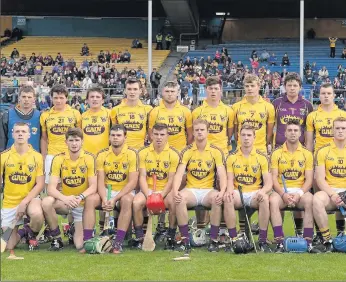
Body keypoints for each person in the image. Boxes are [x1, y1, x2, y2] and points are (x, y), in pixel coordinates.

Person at [172, 119, 226, 254]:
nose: (199, 132)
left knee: (217, 200)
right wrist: (174, 191)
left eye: (202, 129)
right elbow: (179, 174)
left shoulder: (216, 151)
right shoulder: (187, 151)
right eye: (197, 130)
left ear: (207, 132)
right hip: (191, 190)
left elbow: (222, 174)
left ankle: (213, 240)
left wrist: (222, 191)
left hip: (208, 190)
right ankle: (185, 241)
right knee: (179, 199)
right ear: (193, 133)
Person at [82, 125, 138, 254]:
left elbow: (132, 182)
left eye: (118, 135)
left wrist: (114, 199)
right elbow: (100, 181)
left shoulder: (132, 154)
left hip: (124, 191)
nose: (115, 138)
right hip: (106, 191)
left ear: (125, 137)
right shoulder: (102, 155)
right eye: (113, 135)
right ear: (109, 137)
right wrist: (104, 198)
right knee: (90, 200)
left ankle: (118, 243)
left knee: (127, 200)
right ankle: (88, 241)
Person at [41, 128, 97, 251]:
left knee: (79, 245)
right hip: (65, 202)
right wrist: (65, 198)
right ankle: (57, 238)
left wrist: (80, 197)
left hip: (81, 204)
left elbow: (94, 185)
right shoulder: (58, 159)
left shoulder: (89, 158)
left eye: (77, 140)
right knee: (46, 202)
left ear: (82, 141)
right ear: (66, 142)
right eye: (71, 140)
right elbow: (50, 188)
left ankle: (73, 228)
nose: (74, 143)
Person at [306, 83, 346, 240]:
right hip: (321, 160)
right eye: (323, 93)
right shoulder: (313, 116)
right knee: (318, 198)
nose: (326, 96)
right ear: (319, 95)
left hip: (341, 156)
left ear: (334, 95)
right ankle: (323, 237)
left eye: (329, 93)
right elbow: (309, 143)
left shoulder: (342, 114)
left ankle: (341, 232)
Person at [223, 124, 273, 252]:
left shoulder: (262, 157)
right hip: (237, 193)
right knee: (227, 198)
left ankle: (262, 241)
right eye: (243, 135)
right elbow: (229, 179)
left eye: (249, 135)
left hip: (254, 193)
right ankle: (234, 240)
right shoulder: (231, 157)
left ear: (254, 137)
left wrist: (262, 191)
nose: (246, 138)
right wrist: (229, 190)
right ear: (238, 137)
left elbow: (268, 183)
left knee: (265, 199)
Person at [132, 123, 179, 250]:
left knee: (174, 203)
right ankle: (140, 237)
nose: (159, 137)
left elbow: (171, 180)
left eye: (162, 134)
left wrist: (160, 196)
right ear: (151, 135)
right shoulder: (143, 152)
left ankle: (171, 236)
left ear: (167, 136)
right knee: (136, 203)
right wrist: (148, 194)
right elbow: (142, 176)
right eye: (156, 134)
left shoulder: (173, 154)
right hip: (147, 190)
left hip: (164, 191)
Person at [269, 120, 314, 252]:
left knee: (310, 200)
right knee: (272, 201)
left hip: (301, 191)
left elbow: (309, 180)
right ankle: (279, 242)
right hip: (282, 191)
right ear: (285, 133)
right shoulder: (277, 153)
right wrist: (283, 194)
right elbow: (273, 179)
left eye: (295, 130)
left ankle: (308, 241)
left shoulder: (307, 154)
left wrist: (299, 194)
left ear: (300, 133)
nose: (293, 133)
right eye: (290, 130)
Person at [0, 122, 44, 251]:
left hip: (30, 200)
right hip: (10, 203)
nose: (20, 134)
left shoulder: (37, 156)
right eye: (17, 131)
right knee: (8, 246)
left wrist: (24, 202)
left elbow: (40, 183)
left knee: (36, 215)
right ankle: (23, 232)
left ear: (29, 135)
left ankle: (31, 231)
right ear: (12, 134)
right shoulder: (3, 156)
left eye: (23, 132)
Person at [311, 117, 346, 253]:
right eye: (337, 128)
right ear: (332, 130)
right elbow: (319, 179)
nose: (340, 131)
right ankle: (328, 240)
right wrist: (333, 194)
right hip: (330, 191)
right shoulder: (323, 151)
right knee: (317, 199)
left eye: (343, 128)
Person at [40, 85, 82, 186]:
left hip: (71, 154)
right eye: (55, 98)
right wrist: (44, 156)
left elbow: (80, 136)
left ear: (66, 98)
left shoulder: (75, 113)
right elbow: (44, 138)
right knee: (52, 188)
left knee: (70, 186)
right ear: (51, 98)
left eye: (61, 98)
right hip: (52, 155)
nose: (58, 101)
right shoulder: (45, 115)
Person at [232, 74, 275, 155]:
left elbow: (269, 132)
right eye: (247, 86)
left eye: (252, 85)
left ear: (258, 86)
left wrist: (265, 144)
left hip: (260, 150)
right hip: (241, 151)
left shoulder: (269, 107)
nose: (250, 88)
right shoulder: (236, 107)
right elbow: (235, 131)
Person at [192, 76, 234, 155]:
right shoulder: (196, 112)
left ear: (220, 90)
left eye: (216, 89)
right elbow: (194, 134)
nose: (213, 91)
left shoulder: (229, 111)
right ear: (205, 90)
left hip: (222, 152)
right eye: (210, 88)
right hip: (202, 153)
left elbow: (229, 134)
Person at [148, 81, 193, 152]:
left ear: (178, 93)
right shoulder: (154, 111)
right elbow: (151, 135)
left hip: (180, 152)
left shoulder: (186, 111)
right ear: (162, 92)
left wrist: (185, 151)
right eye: (167, 91)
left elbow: (190, 135)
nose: (169, 94)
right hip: (161, 152)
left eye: (172, 91)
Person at [273, 73, 313, 148]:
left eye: (295, 85)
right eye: (289, 85)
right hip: (279, 148)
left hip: (300, 149)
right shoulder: (276, 103)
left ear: (300, 87)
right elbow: (271, 127)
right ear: (284, 87)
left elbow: (309, 130)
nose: (292, 88)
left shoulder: (307, 105)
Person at [111, 78, 152, 149]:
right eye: (129, 89)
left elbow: (151, 133)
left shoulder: (148, 109)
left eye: (135, 89)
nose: (132, 92)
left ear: (140, 91)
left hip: (141, 151)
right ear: (125, 91)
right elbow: (113, 133)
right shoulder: (115, 110)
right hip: (122, 151)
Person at [0, 86, 41, 152]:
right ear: (19, 98)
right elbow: (2, 139)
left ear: (34, 99)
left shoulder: (40, 116)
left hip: (34, 159)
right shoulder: (7, 115)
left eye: (29, 97)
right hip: (11, 159)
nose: (26, 99)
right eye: (23, 96)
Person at [81, 87, 111, 156]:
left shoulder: (110, 114)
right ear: (87, 100)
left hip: (105, 155)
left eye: (98, 97)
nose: (95, 99)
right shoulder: (82, 116)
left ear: (103, 100)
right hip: (86, 156)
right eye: (92, 97)